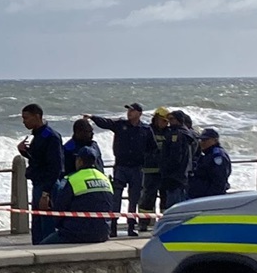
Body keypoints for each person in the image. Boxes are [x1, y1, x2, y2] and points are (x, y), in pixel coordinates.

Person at [84, 103, 157, 238]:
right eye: (128, 110)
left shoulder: (145, 129)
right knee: (116, 198)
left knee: (133, 199)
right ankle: (113, 227)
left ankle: (131, 226)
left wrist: (142, 157)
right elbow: (106, 123)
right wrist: (93, 117)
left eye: (132, 110)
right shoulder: (120, 125)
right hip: (121, 167)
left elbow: (152, 148)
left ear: (139, 113)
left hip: (136, 168)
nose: (129, 112)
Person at [40, 147, 114, 244]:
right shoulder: (105, 179)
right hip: (103, 233)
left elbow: (60, 210)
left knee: (43, 246)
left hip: (76, 233)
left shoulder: (72, 179)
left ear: (79, 161)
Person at [17, 104, 63, 245]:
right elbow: (38, 159)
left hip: (47, 185)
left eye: (26, 118)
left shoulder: (50, 136)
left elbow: (55, 167)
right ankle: (37, 247)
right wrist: (24, 151)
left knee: (47, 225)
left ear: (37, 116)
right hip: (37, 183)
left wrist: (46, 193)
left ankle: (47, 253)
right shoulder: (36, 135)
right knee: (37, 224)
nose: (24, 121)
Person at [138, 108, 169, 230]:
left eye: (167, 121)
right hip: (150, 171)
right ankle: (143, 223)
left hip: (164, 172)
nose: (165, 124)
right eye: (163, 120)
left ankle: (164, 224)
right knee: (147, 199)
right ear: (156, 118)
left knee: (165, 200)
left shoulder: (169, 132)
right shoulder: (147, 130)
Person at [160, 110, 196, 208]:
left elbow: (175, 157)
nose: (169, 122)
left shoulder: (177, 135)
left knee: (174, 205)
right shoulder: (187, 134)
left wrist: (167, 170)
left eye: (171, 119)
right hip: (182, 175)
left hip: (174, 176)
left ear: (179, 120)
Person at [188, 128, 232, 199]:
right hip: (201, 194)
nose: (202, 142)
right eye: (201, 140)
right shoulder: (207, 154)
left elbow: (219, 180)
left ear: (215, 140)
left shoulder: (217, 155)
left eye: (205, 140)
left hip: (209, 196)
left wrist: (212, 197)